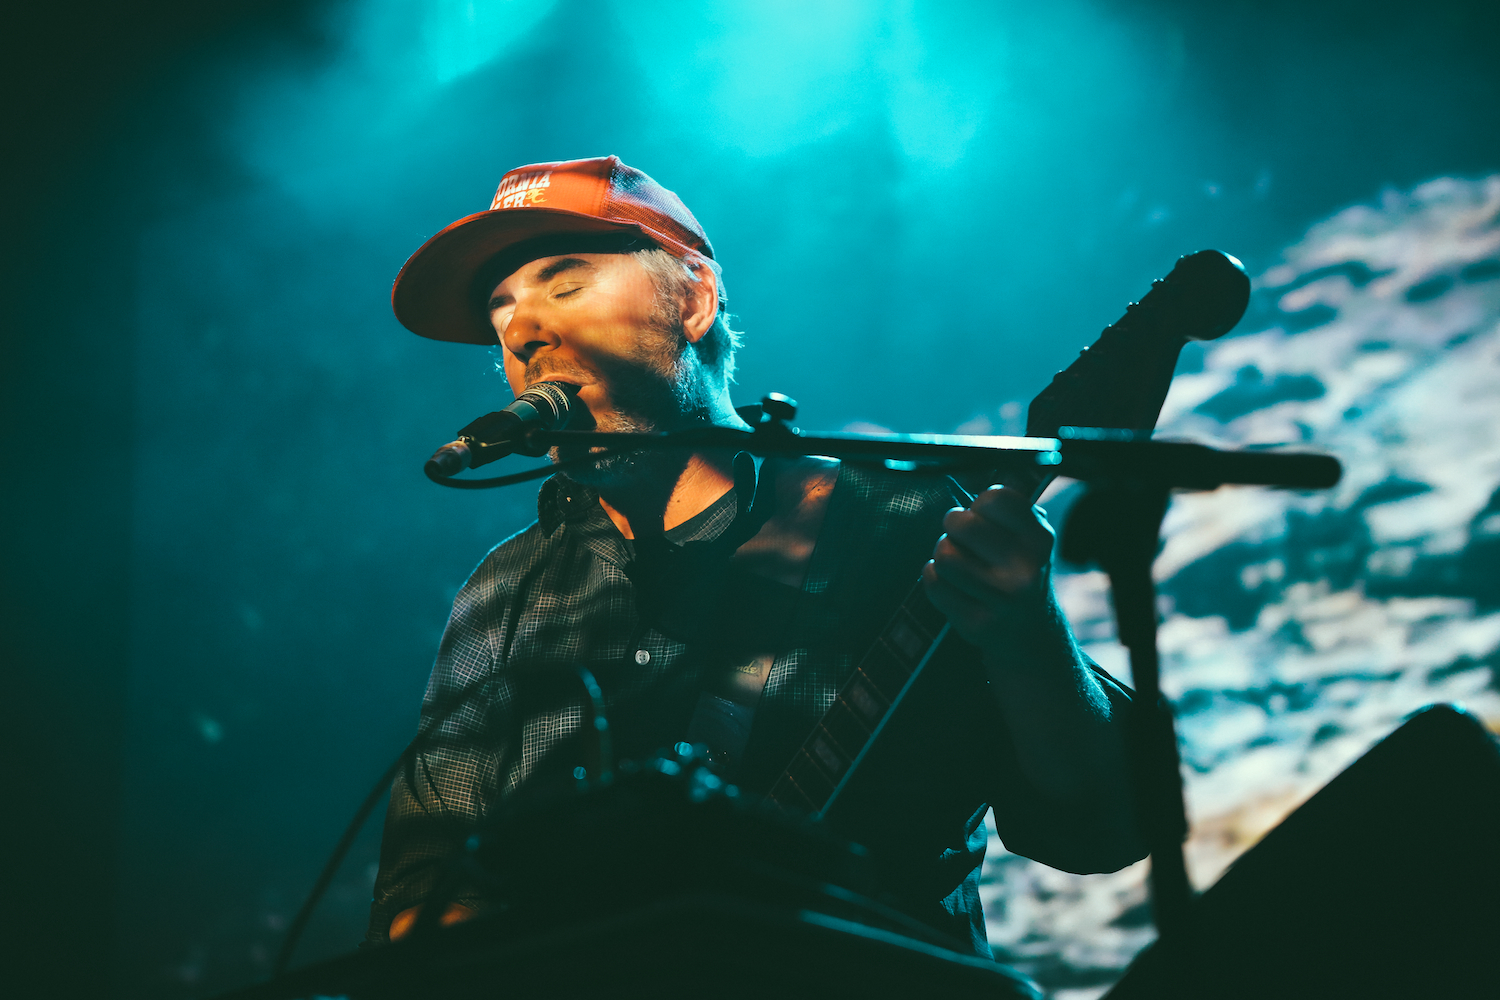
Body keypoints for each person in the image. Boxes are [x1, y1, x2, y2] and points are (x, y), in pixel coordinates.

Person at [369, 155, 1144, 957]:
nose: (522, 332)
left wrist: (1027, 636)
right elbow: (423, 888)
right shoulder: (506, 589)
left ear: (693, 301)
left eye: (565, 286)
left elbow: (1098, 831)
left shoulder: (894, 521)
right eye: (500, 310)